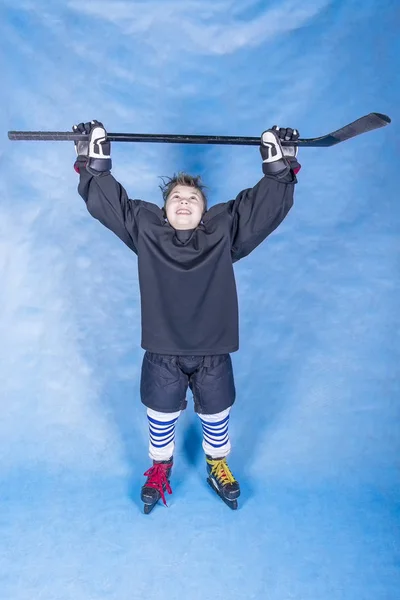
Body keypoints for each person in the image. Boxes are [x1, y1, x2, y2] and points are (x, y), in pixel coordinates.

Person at [73, 119, 300, 511]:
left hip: (213, 350)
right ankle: (160, 468)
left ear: (205, 211)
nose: (183, 202)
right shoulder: (147, 230)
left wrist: (278, 170)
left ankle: (217, 463)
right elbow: (112, 206)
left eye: (192, 199)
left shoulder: (222, 232)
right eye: (176, 197)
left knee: (217, 412)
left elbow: (258, 212)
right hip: (164, 350)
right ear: (163, 210)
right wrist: (95, 162)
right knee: (159, 412)